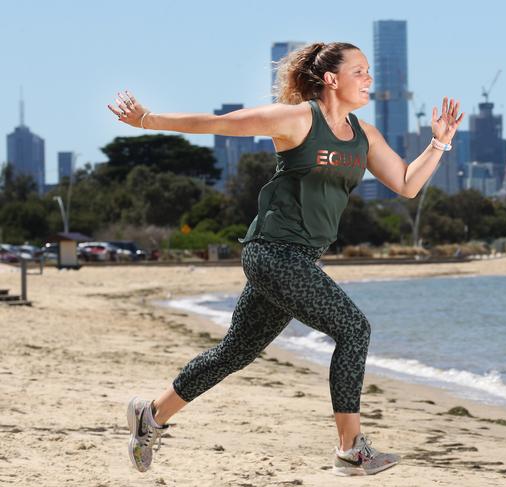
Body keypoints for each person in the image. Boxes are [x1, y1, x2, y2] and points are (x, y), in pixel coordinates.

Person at [108, 41, 464, 477]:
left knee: (233, 353)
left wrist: (438, 144)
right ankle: (351, 449)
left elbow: (407, 183)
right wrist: (146, 119)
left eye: (369, 71)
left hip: (301, 259)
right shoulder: (297, 120)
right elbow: (219, 123)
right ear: (331, 79)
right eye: (360, 71)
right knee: (354, 328)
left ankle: (151, 416)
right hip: (272, 252)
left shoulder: (365, 135)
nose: (369, 79)